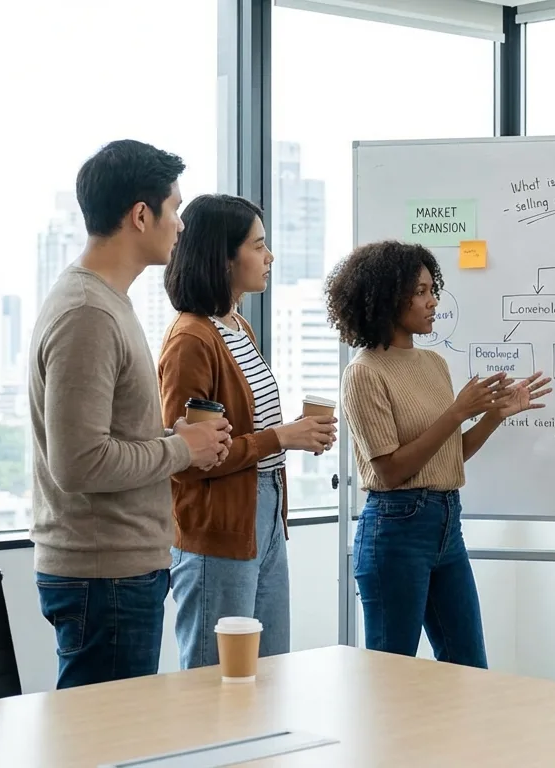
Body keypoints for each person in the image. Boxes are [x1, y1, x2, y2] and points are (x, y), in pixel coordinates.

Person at [28, 140, 232, 689]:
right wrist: (181, 449)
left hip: (119, 569)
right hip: (105, 574)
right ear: (141, 215)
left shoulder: (105, 301)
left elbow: (105, 436)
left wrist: (171, 438)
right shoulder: (88, 313)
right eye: (175, 209)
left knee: (111, 728)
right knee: (106, 732)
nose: (182, 225)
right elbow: (79, 463)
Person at [327, 240, 551, 668]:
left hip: (447, 524)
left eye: (433, 290)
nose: (433, 302)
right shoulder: (363, 373)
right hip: (396, 529)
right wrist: (457, 412)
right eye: (421, 292)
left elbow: (449, 455)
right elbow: (390, 472)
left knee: (469, 668)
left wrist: (495, 415)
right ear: (388, 297)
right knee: (392, 674)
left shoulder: (434, 363)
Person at [157, 194, 338, 670]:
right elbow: (190, 461)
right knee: (216, 680)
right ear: (223, 258)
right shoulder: (191, 339)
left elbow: (241, 433)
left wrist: (296, 433)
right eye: (258, 246)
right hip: (220, 525)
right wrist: (282, 437)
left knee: (270, 673)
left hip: (265, 513)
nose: (269, 256)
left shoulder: (237, 326)